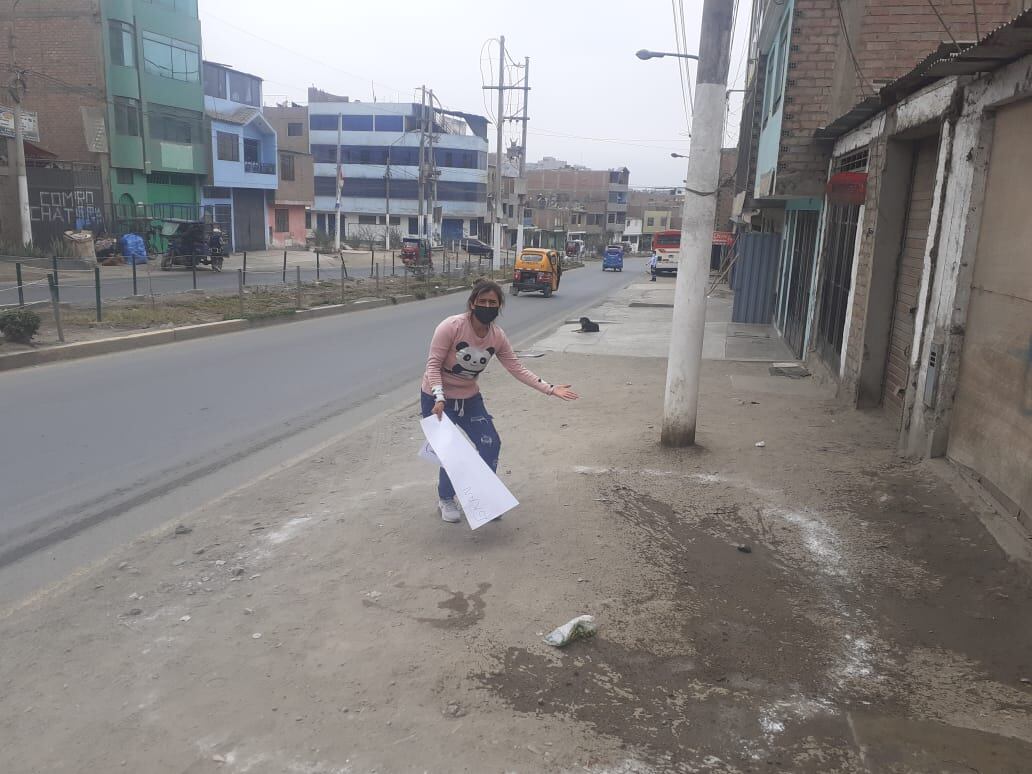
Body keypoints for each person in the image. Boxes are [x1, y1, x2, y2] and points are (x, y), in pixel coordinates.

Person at [421, 279, 579, 522]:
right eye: (482, 301)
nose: (487, 306)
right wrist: (439, 396)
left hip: (469, 396)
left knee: (490, 444)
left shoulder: (497, 337)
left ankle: (486, 498)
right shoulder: (451, 327)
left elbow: (516, 368)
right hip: (436, 397)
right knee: (451, 451)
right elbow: (433, 365)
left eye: (492, 302)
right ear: (472, 303)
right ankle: (445, 499)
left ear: (499, 306)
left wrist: (549, 388)